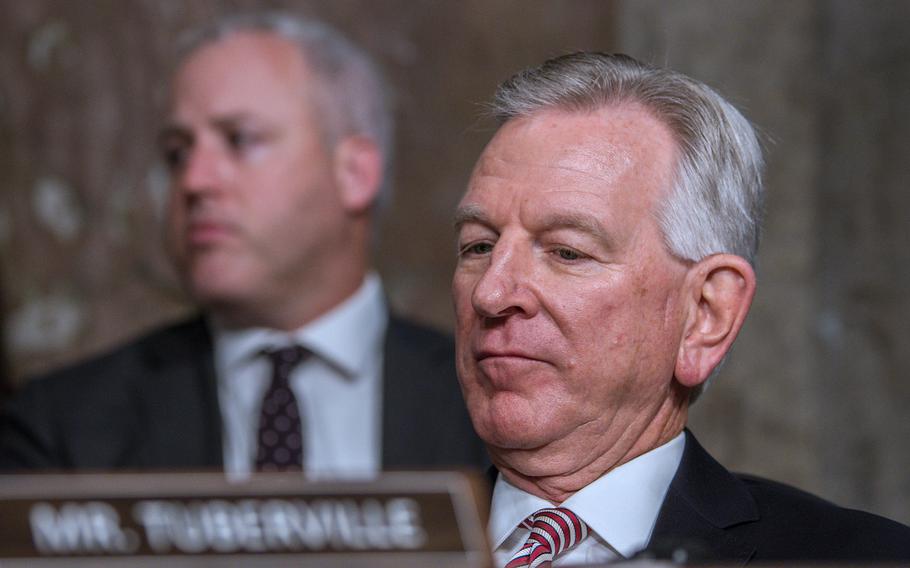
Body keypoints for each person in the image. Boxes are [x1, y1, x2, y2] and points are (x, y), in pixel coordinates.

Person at [452, 52, 910, 565]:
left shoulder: (866, 557)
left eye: (566, 252)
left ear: (705, 315)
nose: (490, 294)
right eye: (478, 246)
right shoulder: (366, 546)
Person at [0, 12, 484, 476]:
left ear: (354, 172)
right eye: (177, 153)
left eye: (239, 139)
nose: (193, 180)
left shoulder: (495, 408)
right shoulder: (59, 430)